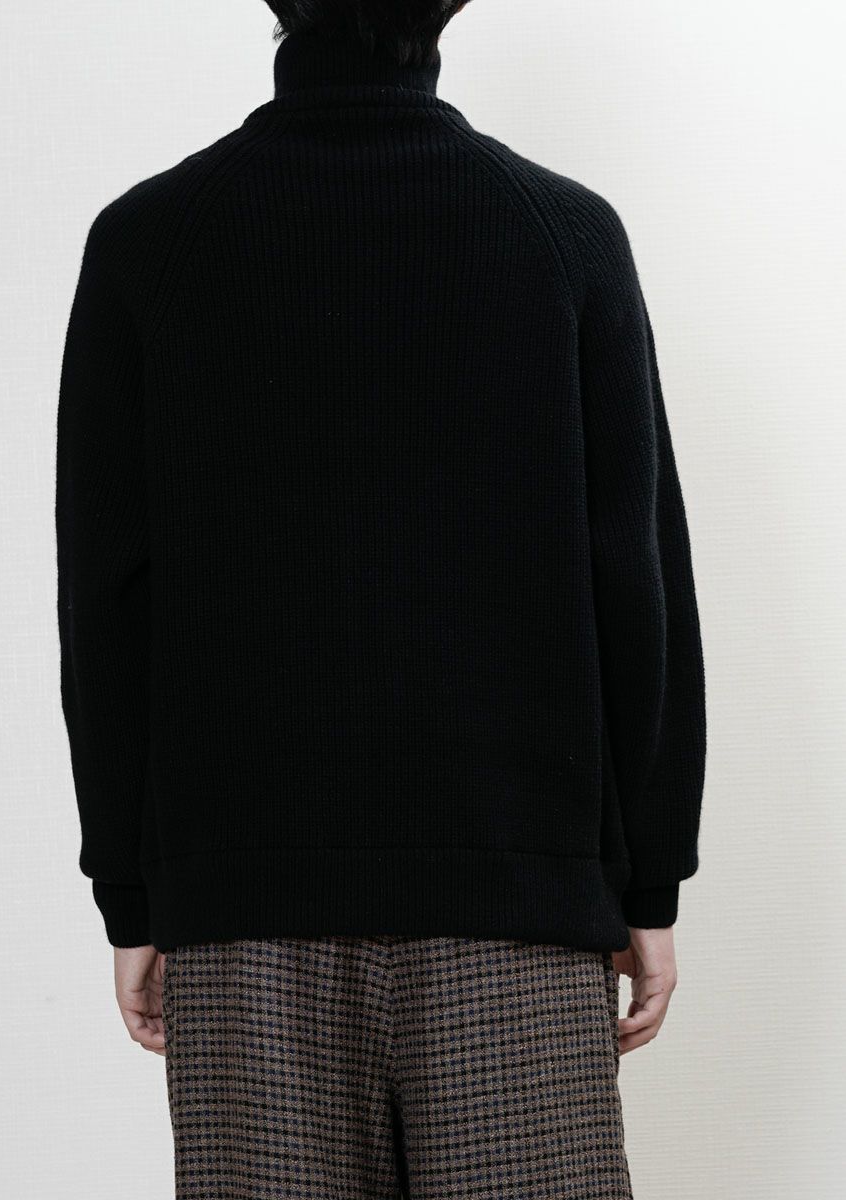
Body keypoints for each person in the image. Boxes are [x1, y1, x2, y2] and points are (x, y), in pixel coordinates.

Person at [55, 2, 706, 1195]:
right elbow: (639, 581)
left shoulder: (150, 242)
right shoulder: (562, 236)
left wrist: (133, 895)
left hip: (244, 915)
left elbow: (107, 605)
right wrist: (647, 877)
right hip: (516, 909)